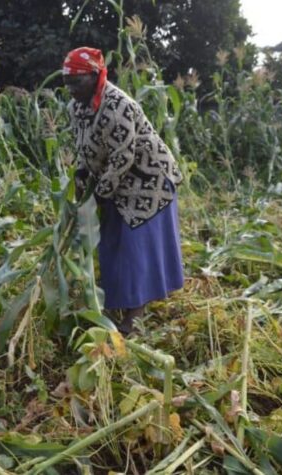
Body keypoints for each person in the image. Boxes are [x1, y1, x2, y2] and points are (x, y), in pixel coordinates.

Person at [63, 47, 184, 335]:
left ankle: (135, 316)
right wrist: (82, 172)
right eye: (66, 82)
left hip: (148, 180)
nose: (70, 89)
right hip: (118, 183)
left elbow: (123, 156)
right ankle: (117, 301)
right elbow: (83, 144)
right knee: (111, 244)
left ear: (95, 76)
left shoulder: (118, 105)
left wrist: (99, 194)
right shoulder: (76, 107)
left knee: (134, 248)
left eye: (76, 81)